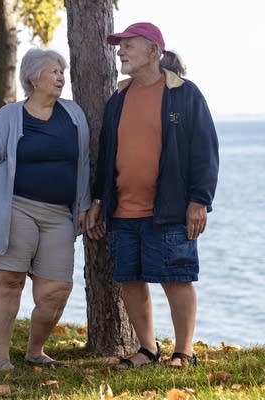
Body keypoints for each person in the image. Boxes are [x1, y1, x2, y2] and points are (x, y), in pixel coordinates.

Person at [86, 22, 219, 368]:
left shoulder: (184, 94)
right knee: (129, 279)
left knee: (176, 278)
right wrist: (99, 201)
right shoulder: (118, 99)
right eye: (120, 46)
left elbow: (205, 151)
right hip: (123, 211)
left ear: (153, 52)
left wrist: (199, 200)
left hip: (171, 209)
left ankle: (183, 352)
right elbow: (106, 156)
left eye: (128, 46)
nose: (120, 52)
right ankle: (147, 349)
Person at [0, 48, 90, 371]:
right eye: (54, 71)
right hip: (15, 208)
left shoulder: (73, 114)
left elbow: (85, 163)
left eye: (62, 72)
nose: (61, 77)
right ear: (33, 78)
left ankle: (35, 351)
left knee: (57, 289)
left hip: (59, 214)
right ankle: (1, 358)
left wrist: (85, 203)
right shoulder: (10, 116)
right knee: (9, 280)